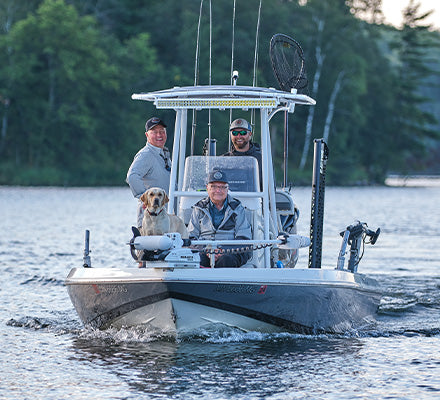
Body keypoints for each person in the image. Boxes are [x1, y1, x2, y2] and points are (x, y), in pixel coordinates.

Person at [188, 170, 252, 268]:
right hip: (204, 251)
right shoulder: (198, 208)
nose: (218, 190)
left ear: (227, 189)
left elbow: (244, 238)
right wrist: (208, 250)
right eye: (214, 187)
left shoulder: (237, 208)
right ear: (207, 188)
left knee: (226, 260)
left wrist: (223, 250)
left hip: (230, 252)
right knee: (197, 259)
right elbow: (191, 237)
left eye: (222, 187)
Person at [126, 117, 172, 227]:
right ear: (147, 135)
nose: (159, 135)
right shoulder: (146, 154)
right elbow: (132, 176)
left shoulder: (164, 153)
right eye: (154, 132)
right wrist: (145, 199)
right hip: (150, 219)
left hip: (163, 216)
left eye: (162, 131)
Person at [223, 118, 262, 187]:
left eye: (243, 133)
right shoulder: (223, 160)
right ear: (230, 135)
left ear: (250, 134)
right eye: (234, 133)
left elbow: (270, 188)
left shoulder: (262, 159)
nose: (239, 136)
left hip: (255, 197)